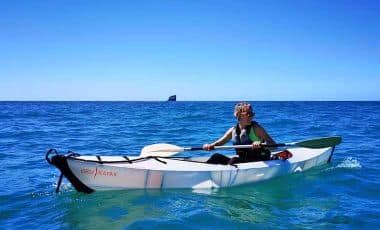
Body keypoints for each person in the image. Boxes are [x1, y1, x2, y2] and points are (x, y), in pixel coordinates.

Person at [203, 102, 276, 165]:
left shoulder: (256, 128)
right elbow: (219, 143)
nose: (251, 116)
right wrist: (210, 145)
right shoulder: (233, 130)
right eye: (248, 113)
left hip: (259, 161)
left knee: (234, 160)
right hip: (243, 161)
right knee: (216, 156)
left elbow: (274, 145)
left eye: (252, 114)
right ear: (238, 115)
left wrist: (260, 143)